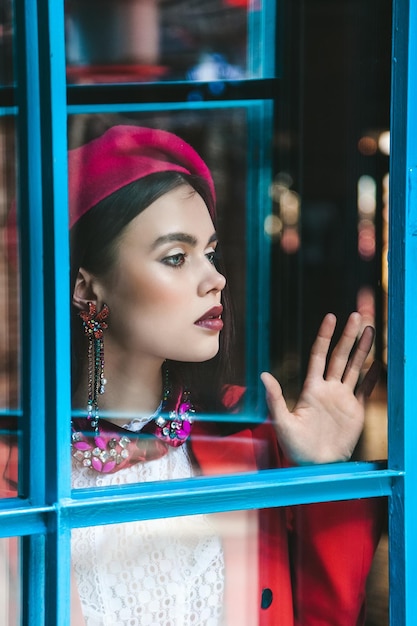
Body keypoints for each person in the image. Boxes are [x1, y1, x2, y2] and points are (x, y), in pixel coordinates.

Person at [6, 124, 382, 625]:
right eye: (176, 257)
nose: (216, 279)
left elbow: (324, 614)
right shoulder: (16, 471)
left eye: (210, 252)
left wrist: (323, 475)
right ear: (85, 289)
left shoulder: (242, 434)